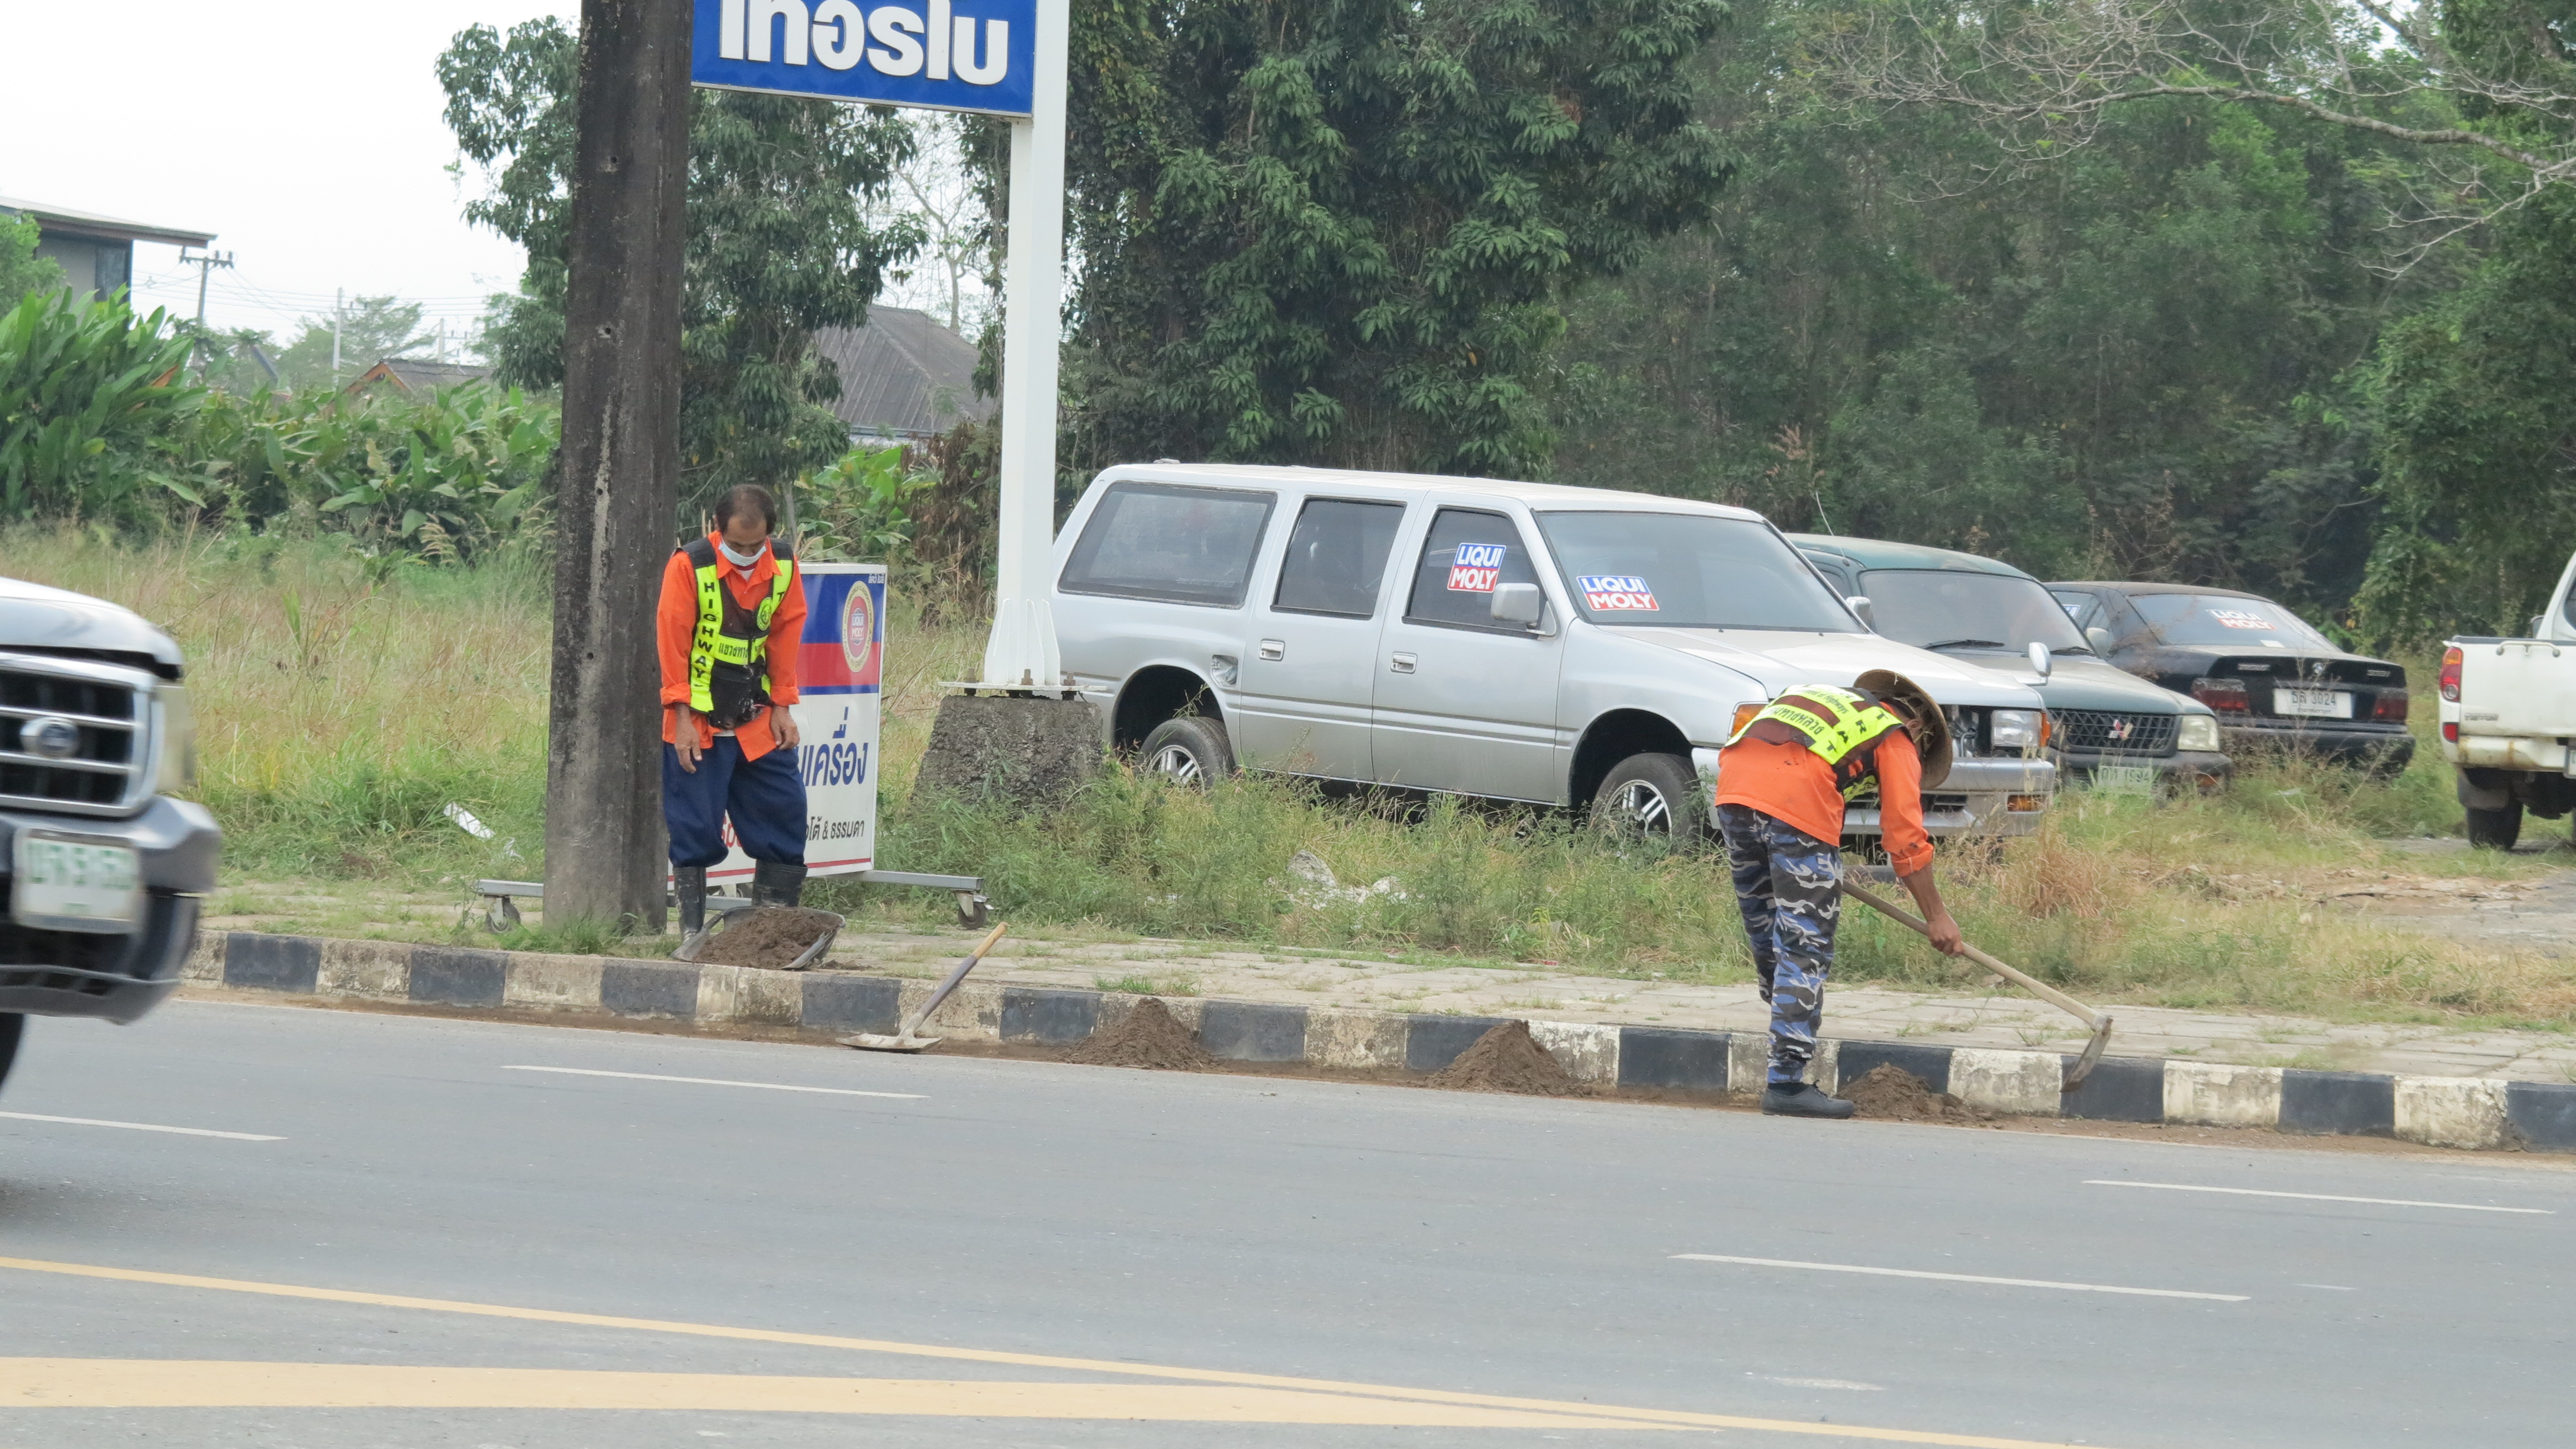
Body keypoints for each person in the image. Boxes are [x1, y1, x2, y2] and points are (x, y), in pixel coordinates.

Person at [1714, 670, 1966, 1119]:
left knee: (1767, 925)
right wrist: (1938, 917)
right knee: (1803, 943)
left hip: (1734, 789)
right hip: (1797, 802)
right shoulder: (1893, 735)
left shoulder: (1819, 698)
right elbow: (1906, 841)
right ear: (1917, 728)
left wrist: (1808, 862)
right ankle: (1786, 1083)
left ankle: (1784, 1047)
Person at [658, 484, 809, 937]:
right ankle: (692, 934)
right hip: (698, 722)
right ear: (716, 530)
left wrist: (783, 706)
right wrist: (681, 718)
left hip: (758, 718)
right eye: (736, 545)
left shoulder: (782, 564)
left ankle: (772, 934)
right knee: (696, 829)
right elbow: (673, 641)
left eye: (755, 545)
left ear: (769, 535)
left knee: (785, 813)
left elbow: (785, 634)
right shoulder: (690, 565)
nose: (746, 553)